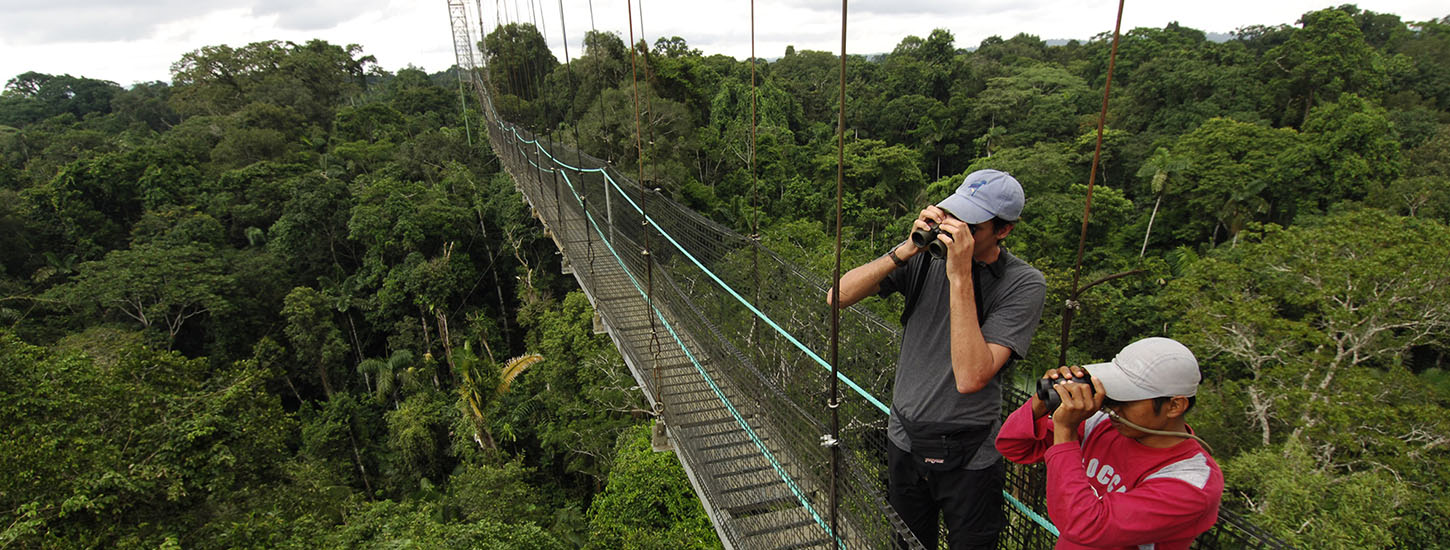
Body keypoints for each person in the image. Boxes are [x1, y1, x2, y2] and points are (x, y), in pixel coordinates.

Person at [828, 169, 1046, 549]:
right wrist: (907, 249)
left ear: (1003, 230)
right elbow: (838, 297)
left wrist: (959, 274)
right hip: (904, 438)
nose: (954, 231)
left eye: (970, 226)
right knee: (907, 543)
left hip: (970, 455)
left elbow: (970, 376)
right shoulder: (923, 260)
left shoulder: (1022, 283)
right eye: (951, 216)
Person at [995, 337, 1224, 550]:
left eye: (1127, 397)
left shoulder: (1191, 483)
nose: (1114, 406)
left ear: (1175, 406)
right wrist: (1043, 402)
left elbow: (1085, 525)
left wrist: (1066, 432)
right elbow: (1014, 446)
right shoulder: (1105, 424)